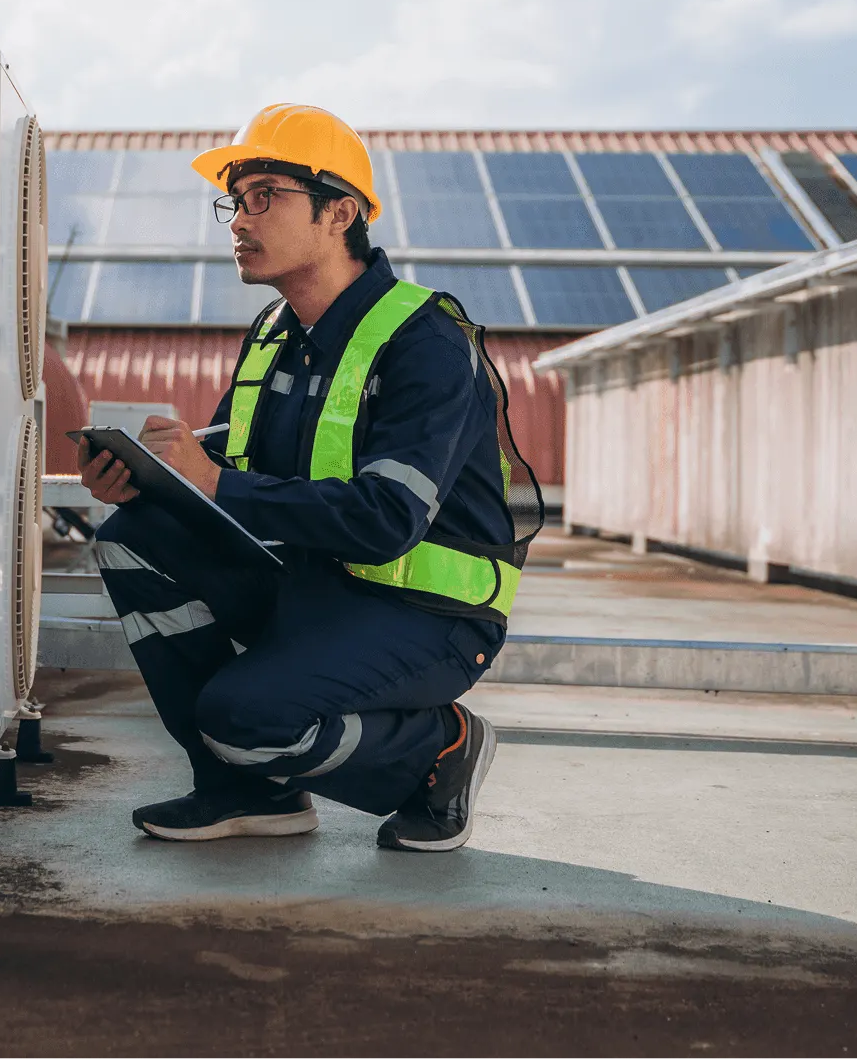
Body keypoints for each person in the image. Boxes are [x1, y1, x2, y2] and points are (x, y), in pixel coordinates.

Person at [78, 103, 536, 852]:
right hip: (318, 586)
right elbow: (229, 472)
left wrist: (216, 482)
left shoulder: (427, 343)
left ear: (340, 213)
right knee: (135, 535)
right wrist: (154, 478)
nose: (238, 220)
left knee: (242, 714)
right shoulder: (272, 336)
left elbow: (388, 517)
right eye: (236, 199)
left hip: (428, 616)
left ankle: (438, 753)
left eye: (266, 195)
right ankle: (247, 788)